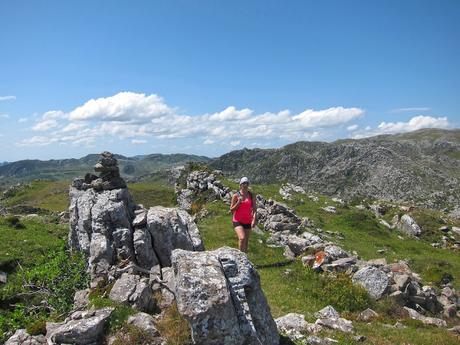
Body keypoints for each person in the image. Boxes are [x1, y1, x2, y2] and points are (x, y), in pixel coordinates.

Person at [230, 176, 257, 253]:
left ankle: (245, 259)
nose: (245, 185)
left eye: (247, 183)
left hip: (248, 221)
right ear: (240, 185)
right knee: (242, 238)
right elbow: (231, 210)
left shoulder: (251, 195)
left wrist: (254, 219)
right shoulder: (236, 196)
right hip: (237, 220)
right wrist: (238, 202)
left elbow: (254, 208)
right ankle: (241, 259)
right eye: (243, 183)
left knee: (246, 242)